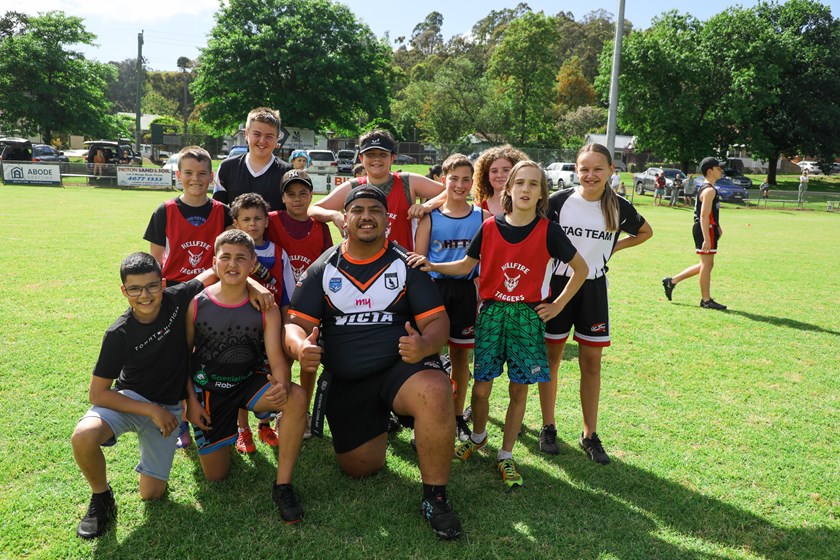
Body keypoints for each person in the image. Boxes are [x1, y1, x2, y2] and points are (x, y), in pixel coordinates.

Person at [286, 185, 462, 539]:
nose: (366, 216)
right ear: (345, 219)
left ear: (387, 220)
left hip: (400, 369)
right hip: (349, 380)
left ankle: (435, 498)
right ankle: (386, 420)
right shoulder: (324, 266)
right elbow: (295, 324)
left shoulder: (406, 263)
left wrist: (426, 345)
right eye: (358, 210)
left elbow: (438, 322)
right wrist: (298, 346)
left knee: (435, 389)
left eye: (375, 211)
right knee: (361, 468)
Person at [409, 162, 588, 490]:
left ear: (541, 194)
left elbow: (581, 268)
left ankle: (505, 454)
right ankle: (478, 437)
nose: (525, 189)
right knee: (481, 387)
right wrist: (432, 264)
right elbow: (466, 264)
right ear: (508, 190)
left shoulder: (549, 230)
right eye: (519, 182)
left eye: (533, 184)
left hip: (527, 317)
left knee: (519, 389)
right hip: (491, 314)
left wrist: (558, 304)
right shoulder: (490, 227)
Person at [71, 252, 272, 539]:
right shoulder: (118, 333)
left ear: (163, 283)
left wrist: (255, 286)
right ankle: (101, 498)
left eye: (152, 286)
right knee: (83, 435)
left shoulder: (178, 298)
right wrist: (152, 411)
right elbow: (98, 393)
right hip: (132, 400)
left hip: (168, 408)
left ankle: (152, 460)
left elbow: (219, 270)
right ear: (123, 291)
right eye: (135, 289)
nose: (145, 295)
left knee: (151, 495)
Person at [538, 144, 653, 462]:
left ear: (611, 170)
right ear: (576, 170)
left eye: (598, 169)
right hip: (558, 287)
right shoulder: (559, 202)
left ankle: (590, 434)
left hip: (594, 290)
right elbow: (536, 233)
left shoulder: (618, 206)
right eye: (584, 168)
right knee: (552, 359)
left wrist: (613, 249)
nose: (590, 175)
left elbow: (645, 231)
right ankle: (548, 426)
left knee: (591, 364)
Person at [186, 230, 308, 524]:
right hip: (209, 394)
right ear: (214, 262)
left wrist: (280, 385)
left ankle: (283, 485)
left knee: (297, 397)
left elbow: (277, 359)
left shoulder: (265, 308)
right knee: (217, 476)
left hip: (247, 383)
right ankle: (224, 436)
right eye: (225, 257)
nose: (232, 264)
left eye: (241, 258)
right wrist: (191, 402)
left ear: (253, 264)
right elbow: (183, 360)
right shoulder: (196, 304)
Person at [413, 154, 490, 442]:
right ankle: (424, 417)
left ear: (473, 183)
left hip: (466, 292)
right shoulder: (429, 217)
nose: (459, 184)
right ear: (443, 180)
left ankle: (458, 417)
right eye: (453, 178)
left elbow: (488, 261)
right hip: (435, 291)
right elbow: (419, 262)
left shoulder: (481, 217)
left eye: (466, 179)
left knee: (460, 356)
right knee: (429, 355)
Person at [265, 170, 334, 437]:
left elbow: (327, 266)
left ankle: (302, 412)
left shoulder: (319, 227)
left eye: (303, 193)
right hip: (274, 303)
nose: (297, 199)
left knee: (307, 358)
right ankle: (282, 411)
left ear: (311, 196)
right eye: (290, 194)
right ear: (282, 197)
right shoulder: (271, 221)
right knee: (280, 360)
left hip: (307, 306)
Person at [230, 193, 295, 453]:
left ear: (267, 221)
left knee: (267, 373)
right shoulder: (233, 252)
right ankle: (241, 429)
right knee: (238, 373)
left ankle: (265, 424)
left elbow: (287, 295)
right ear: (236, 223)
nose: (252, 223)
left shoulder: (279, 253)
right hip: (239, 327)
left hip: (270, 326)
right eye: (246, 219)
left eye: (258, 218)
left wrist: (287, 326)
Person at [308, 130, 444, 251]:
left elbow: (450, 192)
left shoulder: (407, 182)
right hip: (364, 266)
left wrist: (427, 206)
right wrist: (334, 215)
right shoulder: (354, 187)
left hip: (402, 266)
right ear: (361, 159)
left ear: (392, 158)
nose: (376, 159)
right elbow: (313, 209)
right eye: (370, 154)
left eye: (382, 154)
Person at [144, 146, 233, 286]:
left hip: (211, 287)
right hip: (173, 287)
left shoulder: (224, 213)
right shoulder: (164, 211)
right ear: (179, 175)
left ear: (211, 176)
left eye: (202, 173)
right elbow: (155, 260)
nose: (195, 178)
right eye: (188, 173)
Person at [662, 157, 727, 310]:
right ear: (710, 171)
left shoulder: (707, 188)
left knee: (705, 264)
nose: (721, 170)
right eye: (718, 168)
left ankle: (672, 281)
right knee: (707, 264)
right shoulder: (709, 190)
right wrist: (706, 238)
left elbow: (709, 214)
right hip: (705, 229)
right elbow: (704, 216)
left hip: (708, 228)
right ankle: (706, 300)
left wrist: (718, 227)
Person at [212, 107, 292, 214]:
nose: (262, 141)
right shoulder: (227, 167)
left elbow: (292, 216)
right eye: (257, 134)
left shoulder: (287, 172)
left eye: (269, 136)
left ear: (277, 138)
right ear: (246, 134)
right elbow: (217, 211)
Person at [471, 145, 529, 216]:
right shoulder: (479, 207)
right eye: (494, 171)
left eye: (506, 170)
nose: (500, 175)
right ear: (487, 176)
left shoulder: (526, 204)